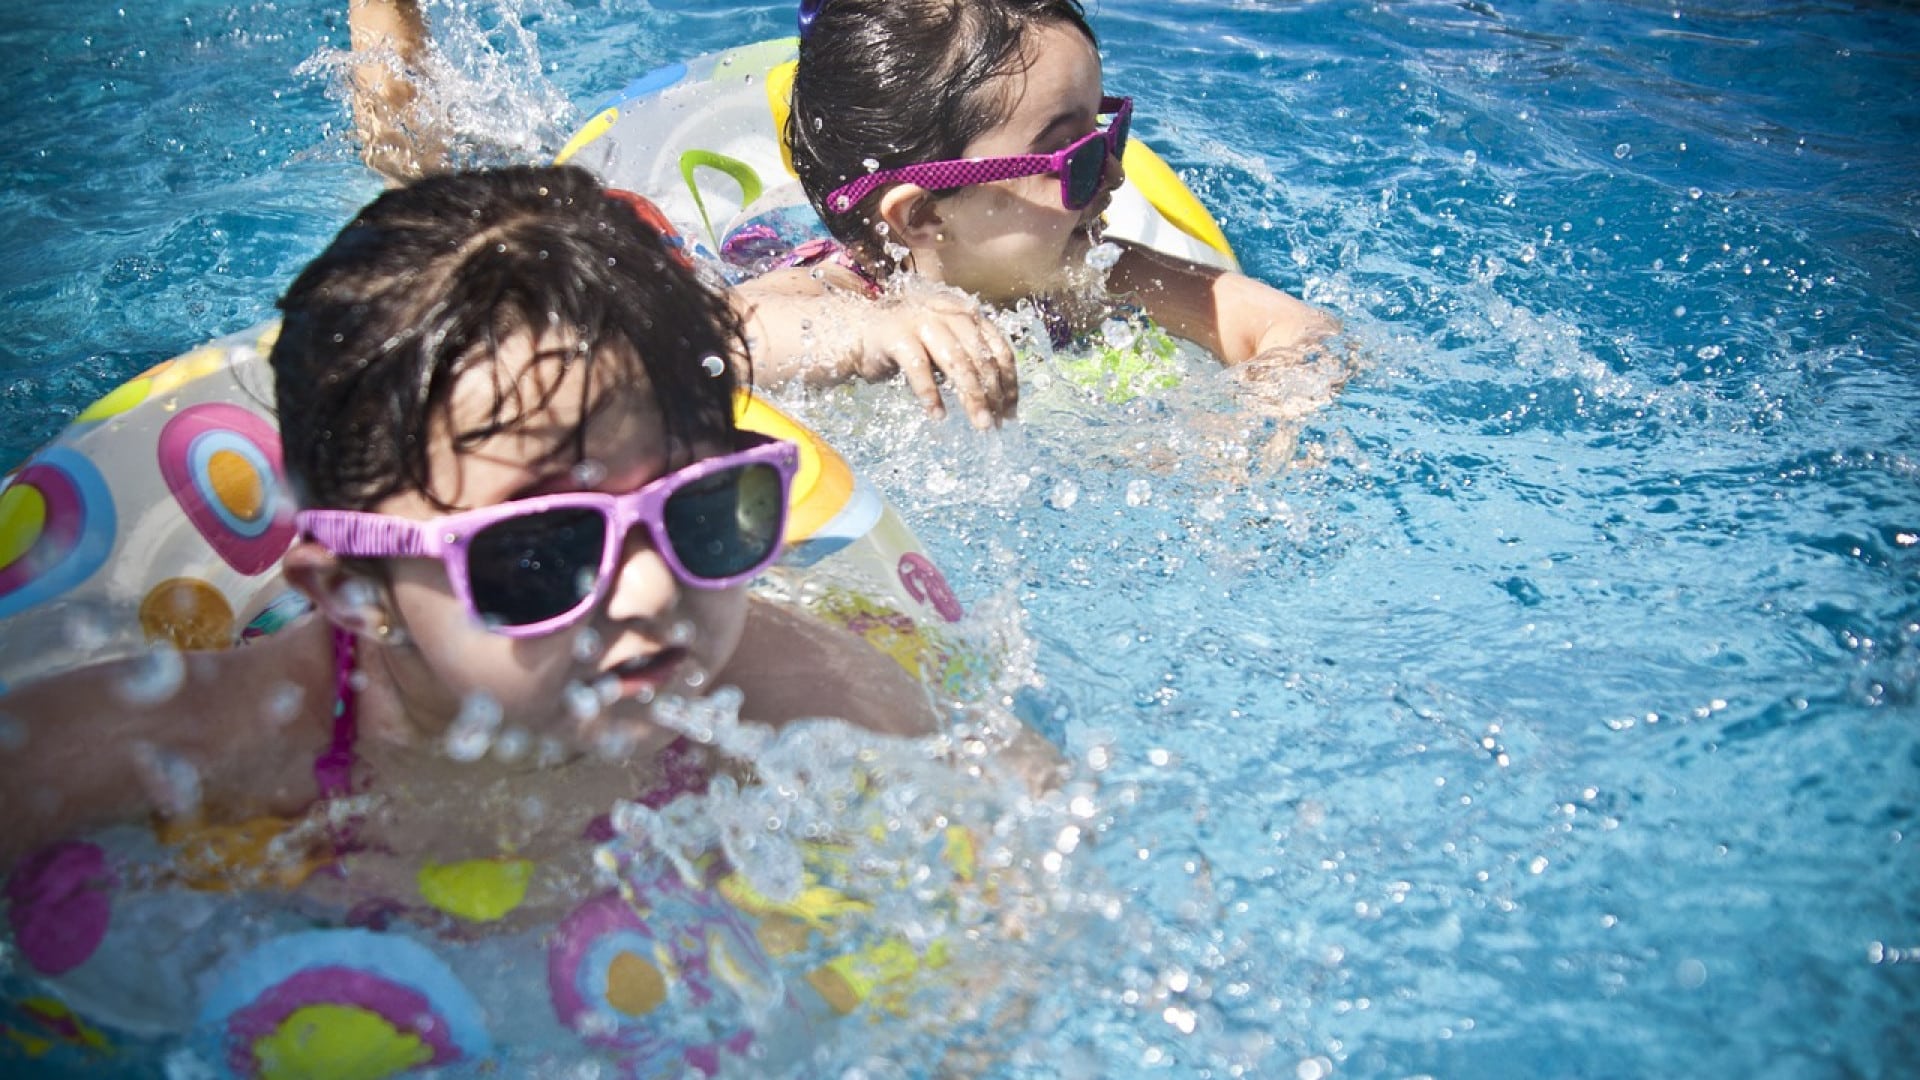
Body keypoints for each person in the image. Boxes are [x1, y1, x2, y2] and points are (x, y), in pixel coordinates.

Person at [0, 165, 938, 874]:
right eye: (543, 551)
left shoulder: (792, 696)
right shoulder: (196, 751)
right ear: (354, 591)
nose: (655, 590)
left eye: (701, 514)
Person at [341, 0, 1338, 432]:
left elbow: (1281, 325)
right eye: (1075, 158)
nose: (1111, 180)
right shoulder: (836, 283)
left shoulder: (1099, 270)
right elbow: (710, 343)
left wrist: (1273, 414)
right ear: (918, 219)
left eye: (1110, 135)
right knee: (434, 194)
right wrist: (871, 328)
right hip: (720, 255)